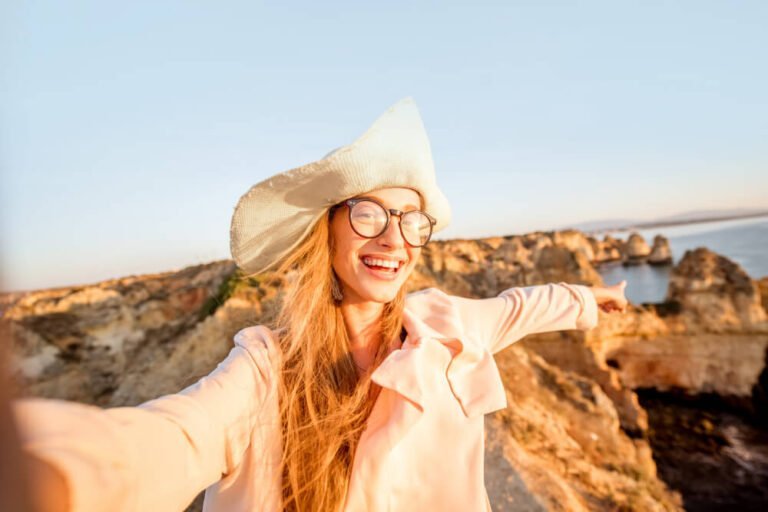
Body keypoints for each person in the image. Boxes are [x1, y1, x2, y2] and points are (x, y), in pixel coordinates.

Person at [12, 98, 628, 512]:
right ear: (326, 231)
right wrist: (53, 471)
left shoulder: (446, 325)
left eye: (412, 222)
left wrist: (591, 299)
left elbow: (525, 305)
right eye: (368, 215)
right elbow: (170, 438)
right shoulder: (265, 370)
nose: (393, 239)